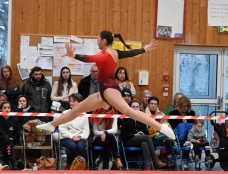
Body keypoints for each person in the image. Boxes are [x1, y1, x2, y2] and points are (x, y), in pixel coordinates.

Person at [36, 30, 175, 141]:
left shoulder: (105, 54)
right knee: (76, 110)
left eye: (97, 40)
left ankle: (161, 127)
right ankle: (51, 125)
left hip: (109, 88)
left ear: (103, 41)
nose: (97, 42)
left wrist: (73, 55)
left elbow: (89, 58)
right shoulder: (113, 52)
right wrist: (144, 49)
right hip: (103, 92)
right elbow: (129, 53)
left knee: (128, 111)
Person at [121, 100, 166, 170]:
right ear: (130, 108)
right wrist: (134, 135)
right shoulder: (125, 118)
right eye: (133, 107)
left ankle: (147, 165)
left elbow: (146, 132)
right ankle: (156, 160)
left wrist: (141, 134)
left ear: (139, 108)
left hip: (140, 139)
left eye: (137, 107)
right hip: (129, 140)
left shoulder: (141, 118)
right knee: (147, 137)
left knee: (144, 143)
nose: (135, 108)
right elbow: (123, 134)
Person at [52, 93, 89, 170]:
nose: (71, 103)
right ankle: (68, 166)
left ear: (80, 102)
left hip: (80, 137)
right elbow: (62, 129)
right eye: (70, 101)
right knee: (73, 146)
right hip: (67, 137)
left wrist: (80, 136)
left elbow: (86, 130)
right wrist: (72, 136)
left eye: (74, 101)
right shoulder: (65, 113)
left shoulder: (84, 115)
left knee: (81, 147)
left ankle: (86, 166)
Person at [91, 104, 122, 170]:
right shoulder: (96, 113)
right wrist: (103, 133)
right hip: (97, 137)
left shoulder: (114, 114)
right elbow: (95, 132)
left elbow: (115, 130)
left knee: (107, 142)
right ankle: (117, 158)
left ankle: (105, 168)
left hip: (109, 137)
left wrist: (105, 132)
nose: (105, 104)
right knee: (110, 137)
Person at [168, 96, 196, 170]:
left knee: (189, 126)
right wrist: (182, 123)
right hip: (176, 134)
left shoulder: (192, 113)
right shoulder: (173, 113)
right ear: (180, 105)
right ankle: (181, 142)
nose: (186, 108)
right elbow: (172, 126)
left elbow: (194, 126)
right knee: (181, 126)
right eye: (184, 106)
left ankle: (185, 159)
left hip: (188, 135)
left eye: (187, 106)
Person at [0, 101, 21, 170]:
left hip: (12, 141)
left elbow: (17, 133)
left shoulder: (14, 119)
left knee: (8, 142)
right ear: (1, 109)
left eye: (8, 108)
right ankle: (12, 161)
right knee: (7, 141)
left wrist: (12, 138)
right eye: (5, 108)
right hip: (1, 140)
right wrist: (5, 137)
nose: (7, 109)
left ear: (10, 109)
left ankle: (6, 162)